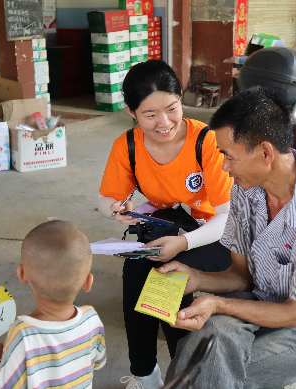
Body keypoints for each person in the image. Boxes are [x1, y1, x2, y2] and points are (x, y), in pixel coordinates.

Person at [159, 86, 296, 389]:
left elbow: (295, 312)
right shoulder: (245, 189)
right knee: (211, 335)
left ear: (266, 153)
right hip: (259, 302)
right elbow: (242, 278)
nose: (224, 167)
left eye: (228, 156)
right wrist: (197, 279)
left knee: (205, 365)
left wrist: (219, 304)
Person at [98, 60, 233, 389]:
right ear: (131, 112)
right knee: (136, 267)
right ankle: (145, 375)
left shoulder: (206, 142)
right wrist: (116, 209)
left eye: (172, 108)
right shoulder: (127, 146)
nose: (164, 123)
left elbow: (228, 217)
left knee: (169, 275)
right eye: (150, 114)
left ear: (181, 98)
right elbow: (105, 199)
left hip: (218, 235)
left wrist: (184, 244)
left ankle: (180, 372)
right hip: (173, 226)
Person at [0, 221, 106, 388]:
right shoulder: (92, 319)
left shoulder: (23, 334)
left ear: (22, 274)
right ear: (88, 282)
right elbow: (98, 361)